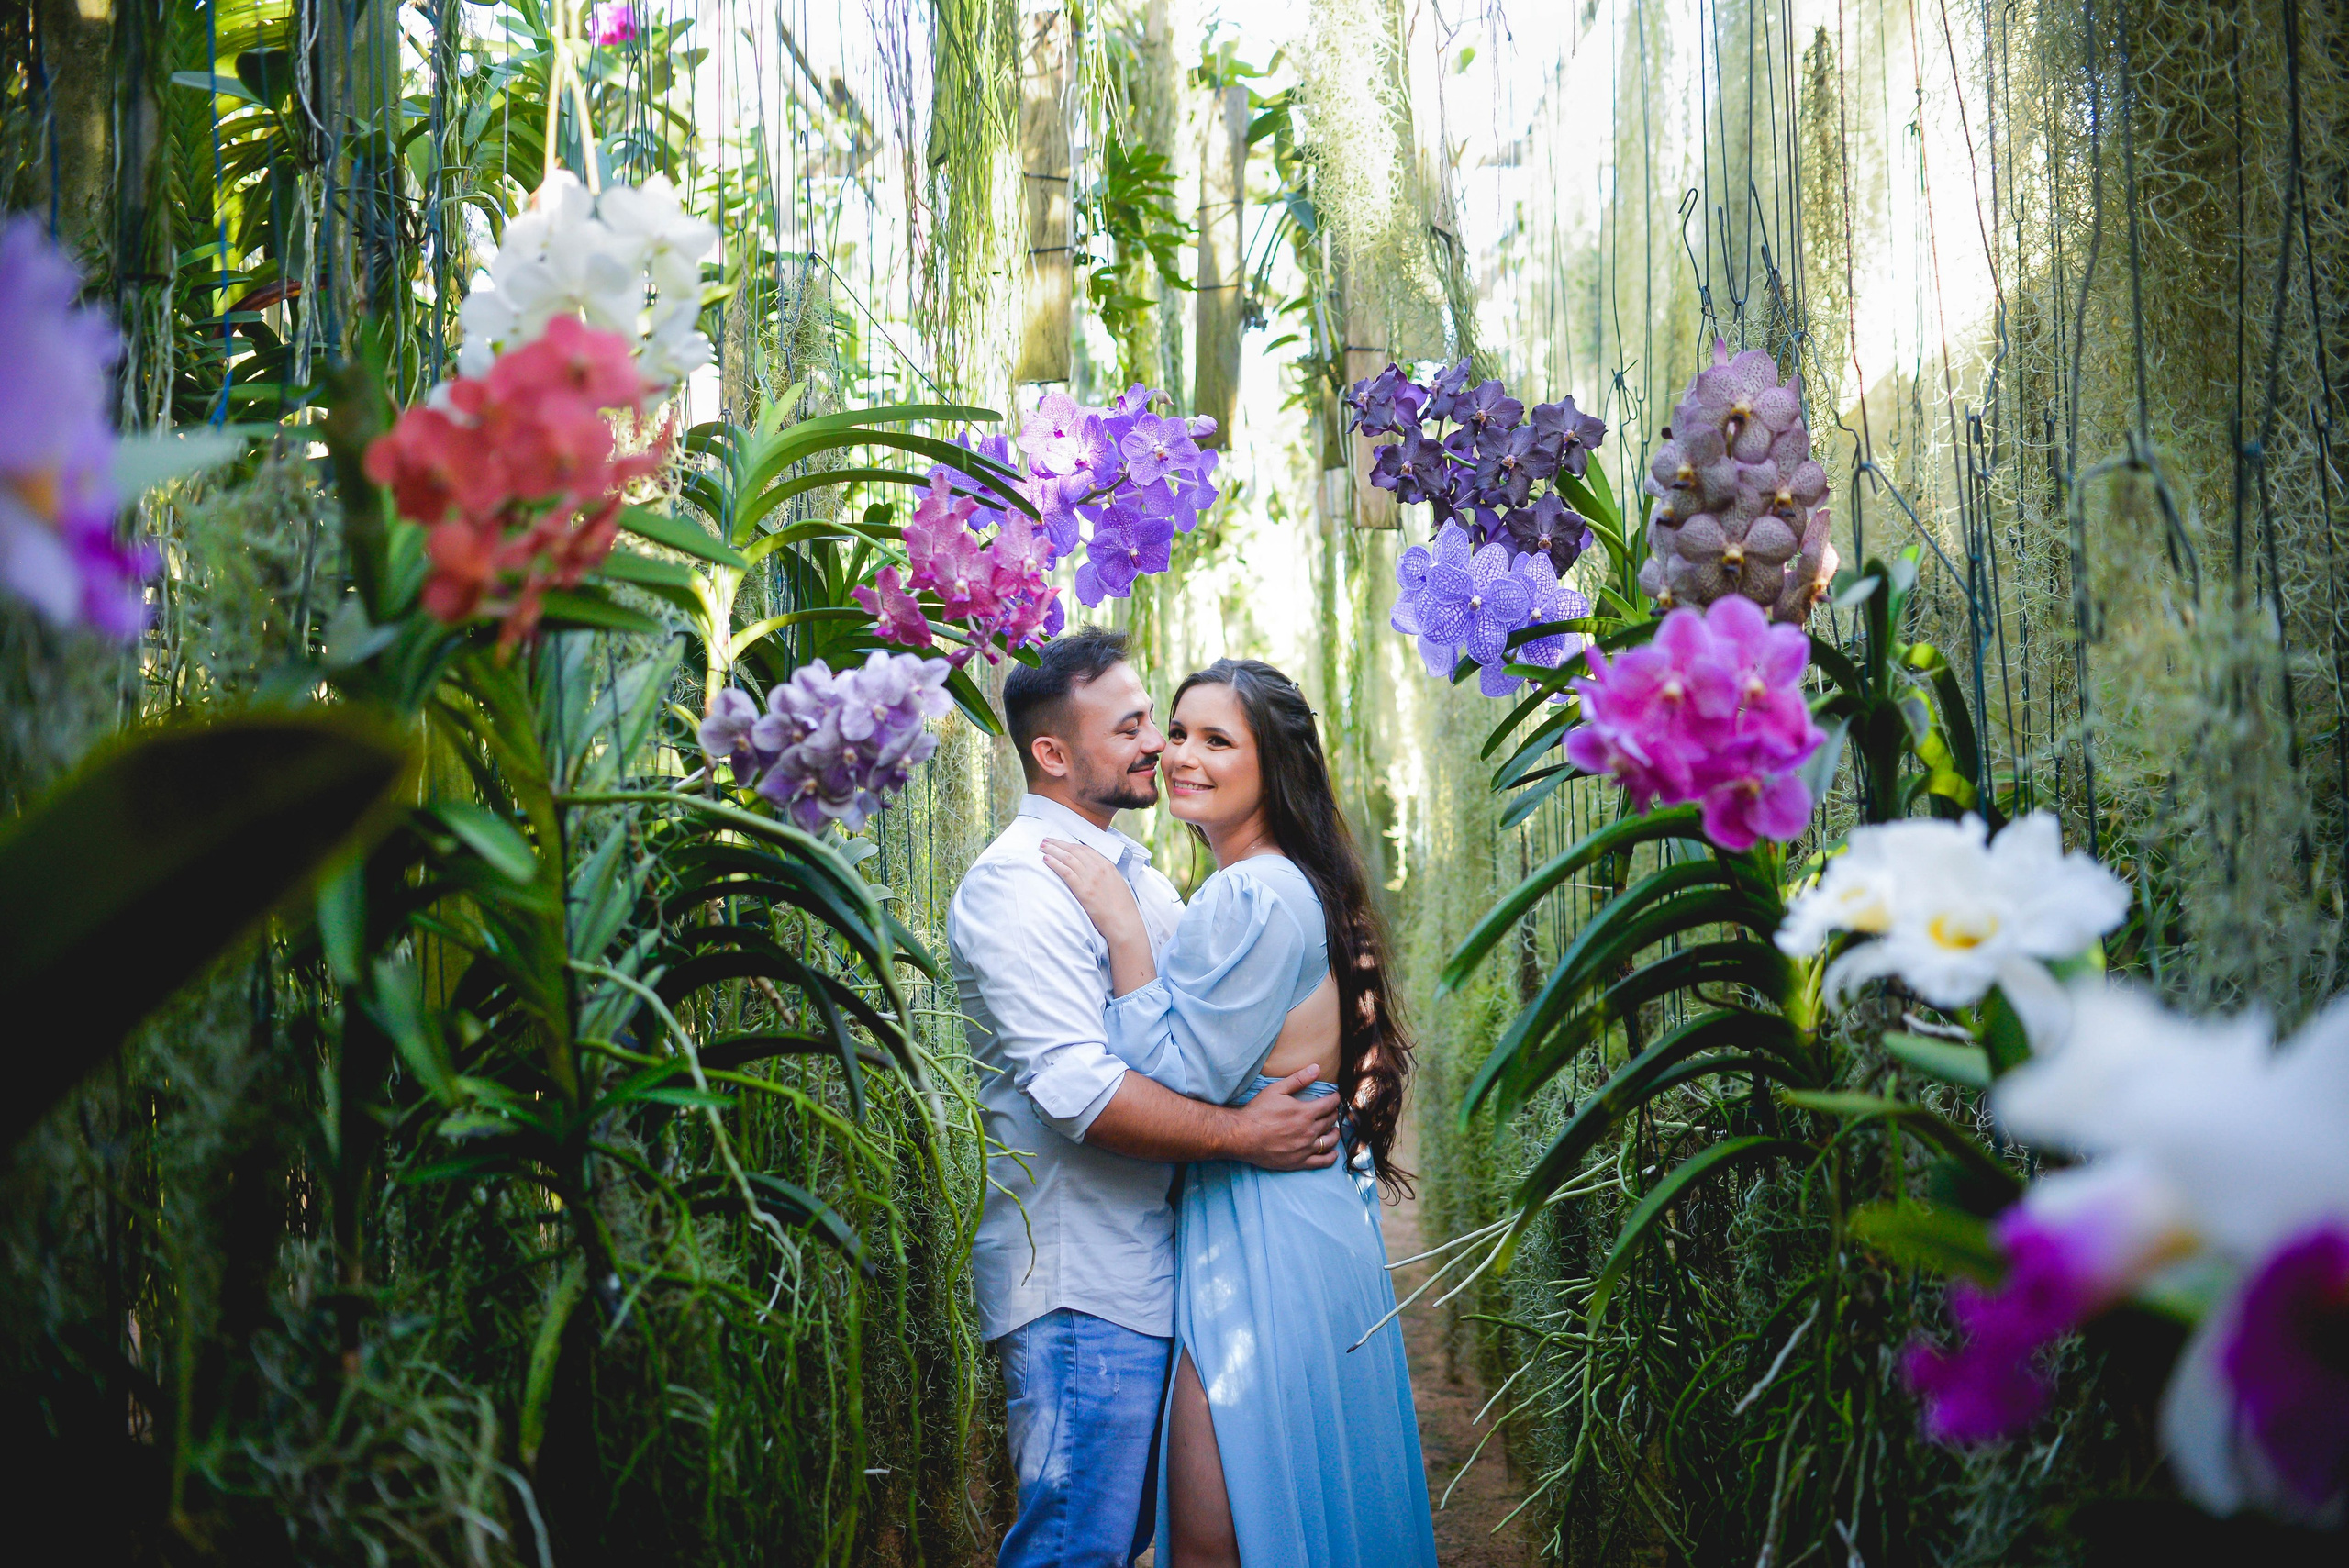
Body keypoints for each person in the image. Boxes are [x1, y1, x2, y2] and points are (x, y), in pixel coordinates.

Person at [948, 628, 1347, 1568]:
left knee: (1110, 1534)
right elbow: (1084, 1097)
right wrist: (1245, 1134)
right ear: (1052, 753)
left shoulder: (1138, 876)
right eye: (1133, 726)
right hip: (1081, 1279)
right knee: (1075, 1542)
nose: (1158, 749)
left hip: (1149, 1270)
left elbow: (1186, 1037)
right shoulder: (1017, 887)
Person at [1039, 658, 1439, 1568]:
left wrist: (1125, 934)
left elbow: (1180, 1072)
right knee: (1272, 1503)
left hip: (1266, 1226)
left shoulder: (1252, 890)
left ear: (1276, 766)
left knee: (1219, 1529)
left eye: (1217, 739)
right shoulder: (1285, 881)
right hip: (1288, 1212)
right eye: (1176, 731)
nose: (1181, 754)